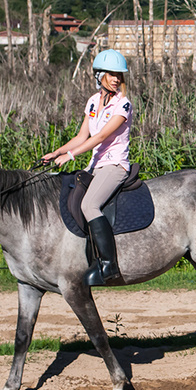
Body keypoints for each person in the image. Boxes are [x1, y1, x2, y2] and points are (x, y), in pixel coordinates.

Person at [42, 49, 133, 286]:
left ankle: (108, 265)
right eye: (112, 74)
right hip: (95, 165)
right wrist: (58, 152)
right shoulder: (93, 102)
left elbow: (101, 136)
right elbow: (83, 135)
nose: (117, 79)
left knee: (89, 205)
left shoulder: (122, 105)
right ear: (100, 75)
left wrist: (71, 156)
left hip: (114, 165)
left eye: (119, 75)